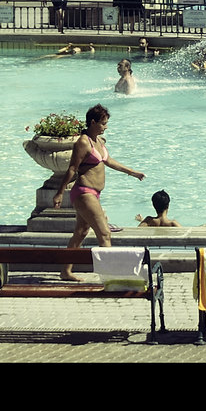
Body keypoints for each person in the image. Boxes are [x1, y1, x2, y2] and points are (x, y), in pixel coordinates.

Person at [48, 105, 145, 280]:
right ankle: (112, 278)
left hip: (93, 194)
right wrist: (59, 193)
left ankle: (65, 271)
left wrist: (132, 172)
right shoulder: (83, 142)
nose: (105, 127)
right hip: (84, 192)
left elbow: (109, 161)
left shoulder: (99, 141)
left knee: (80, 233)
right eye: (103, 123)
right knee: (105, 234)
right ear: (93, 122)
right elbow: (72, 169)